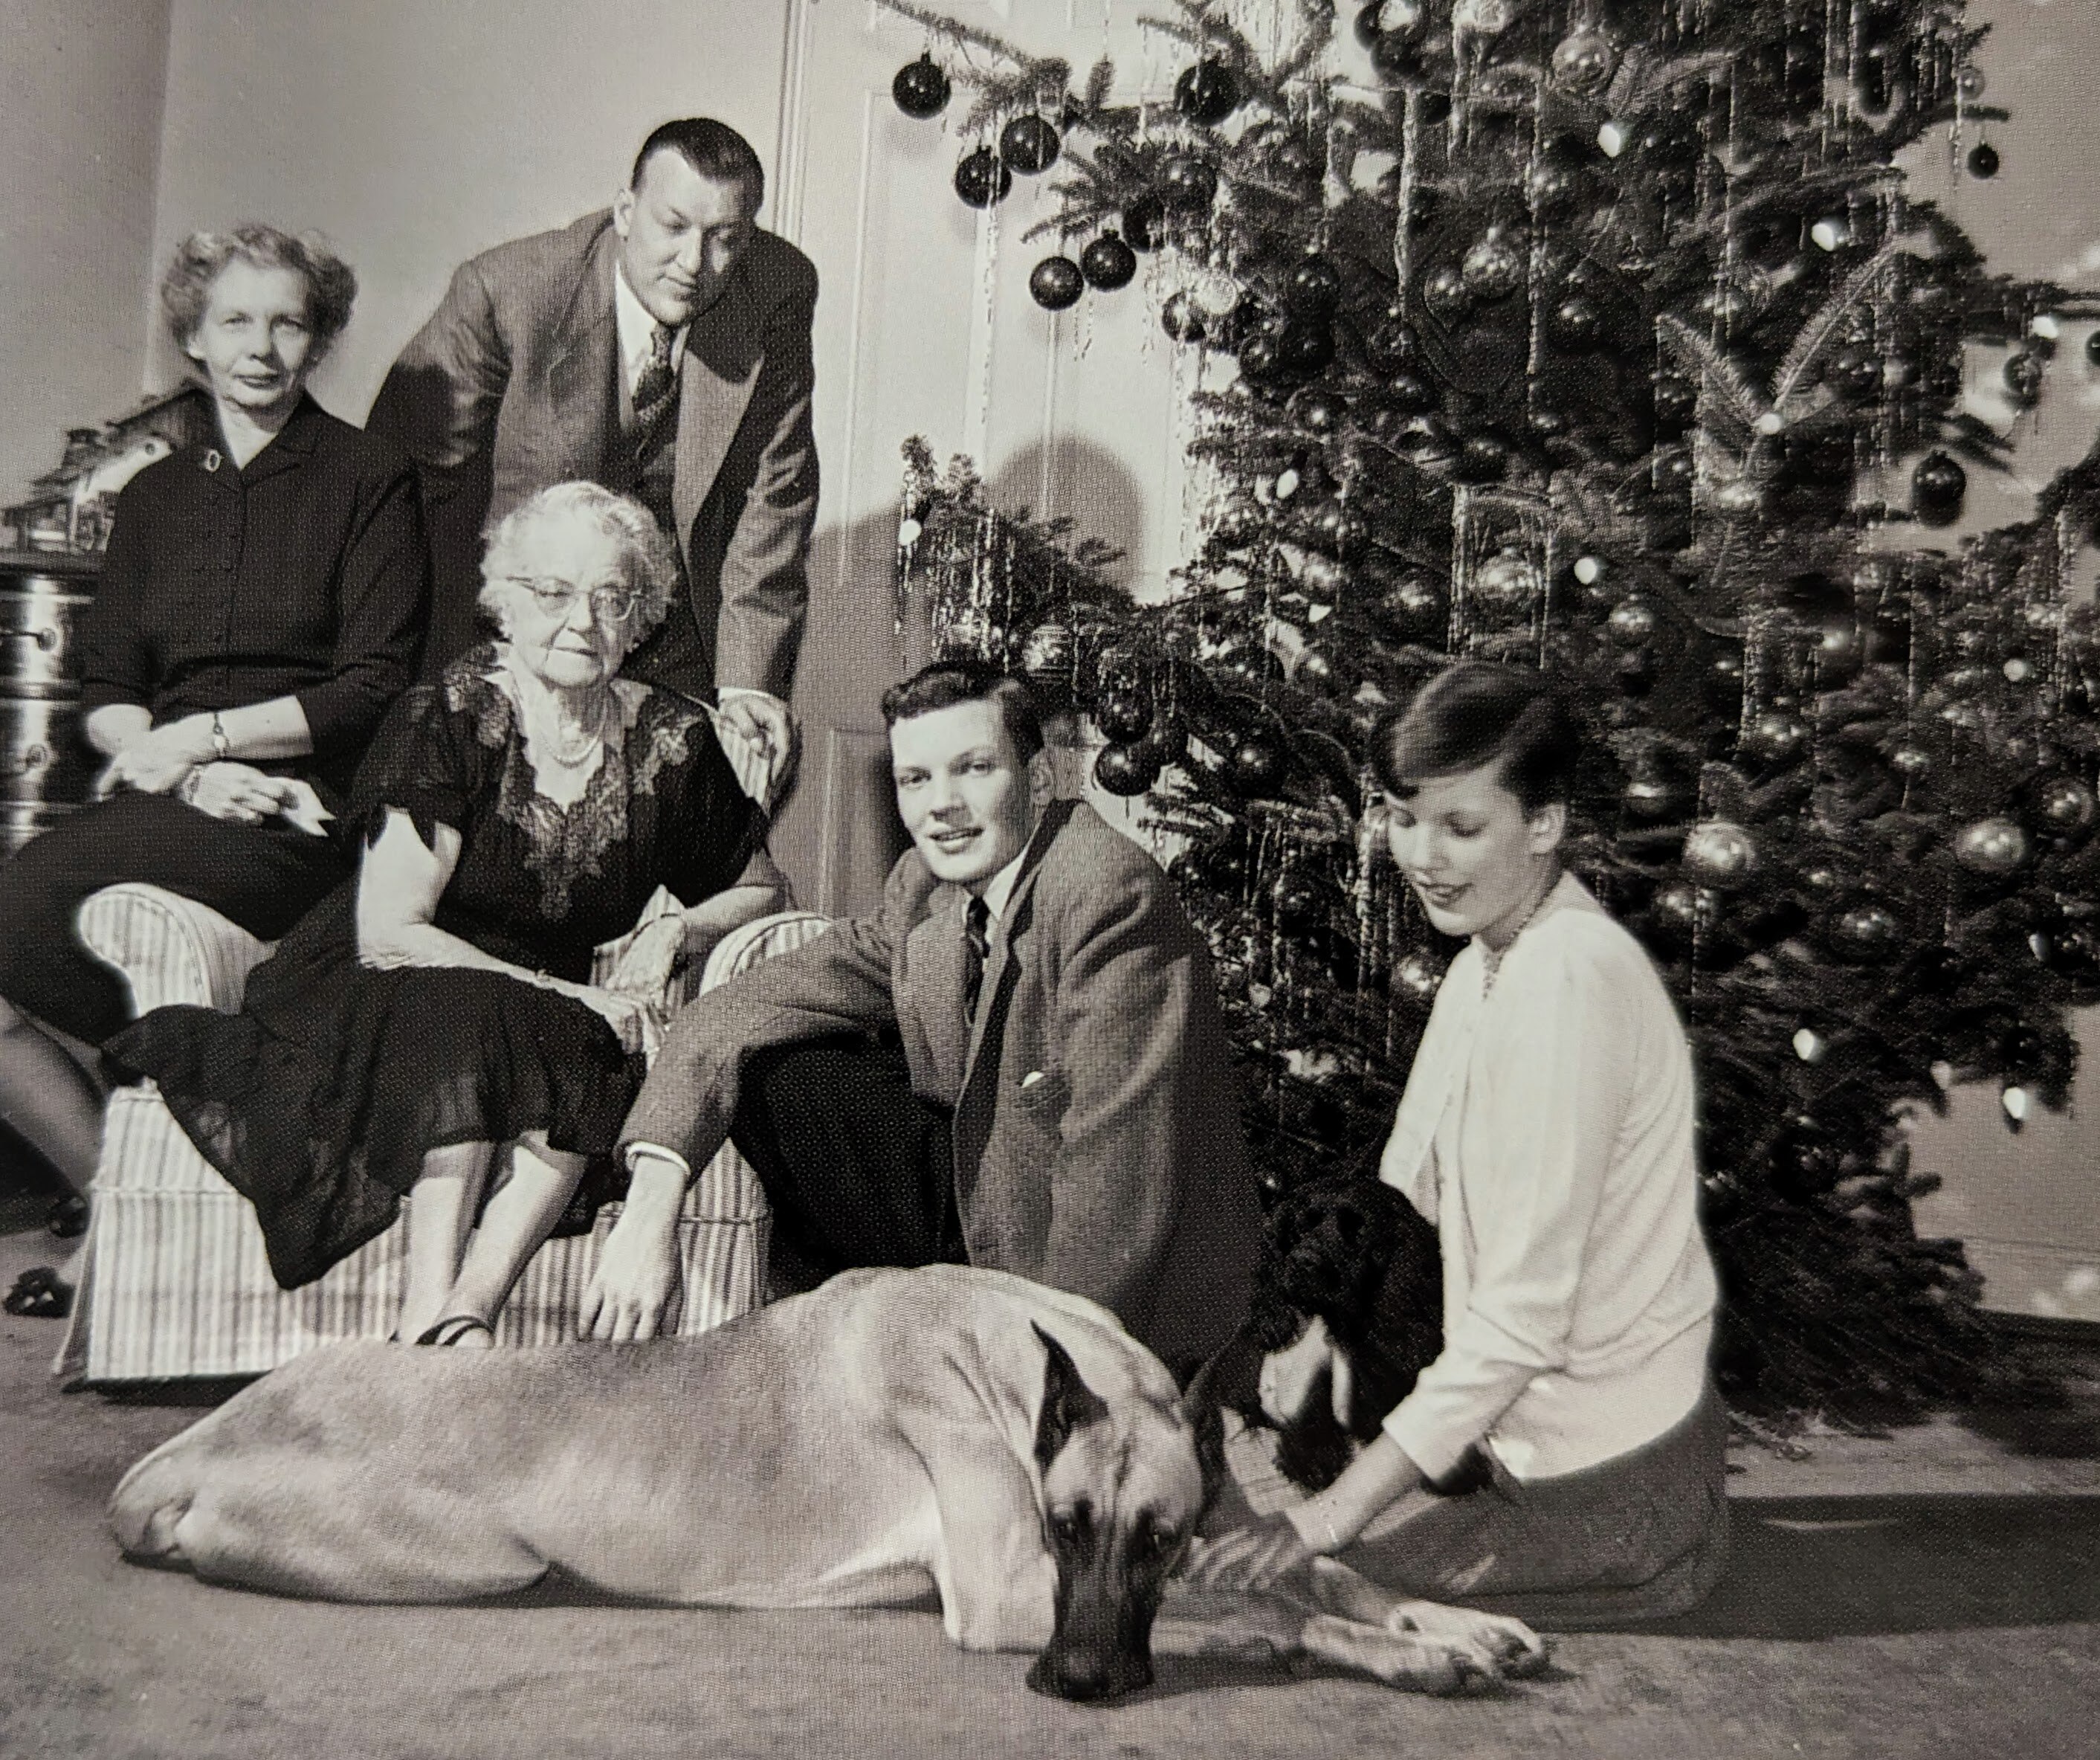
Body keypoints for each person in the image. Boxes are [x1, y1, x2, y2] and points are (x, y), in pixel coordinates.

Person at [106, 483, 786, 1347]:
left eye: (610, 598)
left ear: (641, 617)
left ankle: (467, 1317)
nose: (582, 620)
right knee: (484, 1022)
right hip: (379, 979)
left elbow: (765, 888)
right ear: (505, 603)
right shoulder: (448, 716)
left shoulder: (669, 742)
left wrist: (675, 928)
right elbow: (392, 931)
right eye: (553, 593)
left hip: (535, 1006)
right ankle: (429, 1312)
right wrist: (574, 994)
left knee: (579, 1046)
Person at [1191, 663, 1728, 1627]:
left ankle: (1622, 1551)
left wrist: (1326, 1518)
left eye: (1460, 826)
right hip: (1521, 1423)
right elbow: (1406, 1188)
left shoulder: (1568, 986)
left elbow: (1521, 1320)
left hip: (1598, 1464)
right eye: (1401, 817)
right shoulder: (1493, 952)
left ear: (1545, 823)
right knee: (1216, 1454)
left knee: (1262, 1552)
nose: (1422, 855)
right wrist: (1314, 1340)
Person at [587, 658, 1261, 1376]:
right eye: (916, 779)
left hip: (1109, 1284)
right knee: (779, 1065)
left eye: (972, 769)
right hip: (987, 1192)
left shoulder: (1106, 894)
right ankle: (872, 1347)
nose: (941, 805)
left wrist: (1041, 1375)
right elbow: (751, 1001)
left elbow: (1116, 1182)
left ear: (1038, 781)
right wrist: (650, 1203)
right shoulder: (926, 884)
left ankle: (951, 1356)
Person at [0, 225, 428, 1321]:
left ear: (320, 336)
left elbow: (374, 684)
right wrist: (168, 757)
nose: (263, 345)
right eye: (236, 319)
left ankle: (138, 1209)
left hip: (296, 806)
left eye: (289, 320)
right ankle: (119, 1199)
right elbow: (105, 684)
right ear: (194, 335)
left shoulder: (368, 476)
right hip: (175, 791)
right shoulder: (152, 497)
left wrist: (206, 742)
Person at [368, 116, 815, 793]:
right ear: (625, 212)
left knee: (706, 822)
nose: (694, 264)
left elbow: (774, 491)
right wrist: (397, 653)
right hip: (514, 620)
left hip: (674, 624)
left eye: (725, 239)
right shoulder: (510, 291)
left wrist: (747, 685)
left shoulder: (777, 289)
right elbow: (401, 478)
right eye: (673, 226)